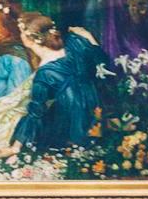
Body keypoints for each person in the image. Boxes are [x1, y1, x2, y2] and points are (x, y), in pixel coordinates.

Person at [10, 15, 103, 154]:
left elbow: (36, 112)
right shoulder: (74, 42)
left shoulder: (44, 73)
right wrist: (89, 36)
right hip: (95, 108)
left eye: (21, 32)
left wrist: (16, 146)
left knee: (43, 123)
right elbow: (100, 61)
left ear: (29, 40)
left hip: (73, 122)